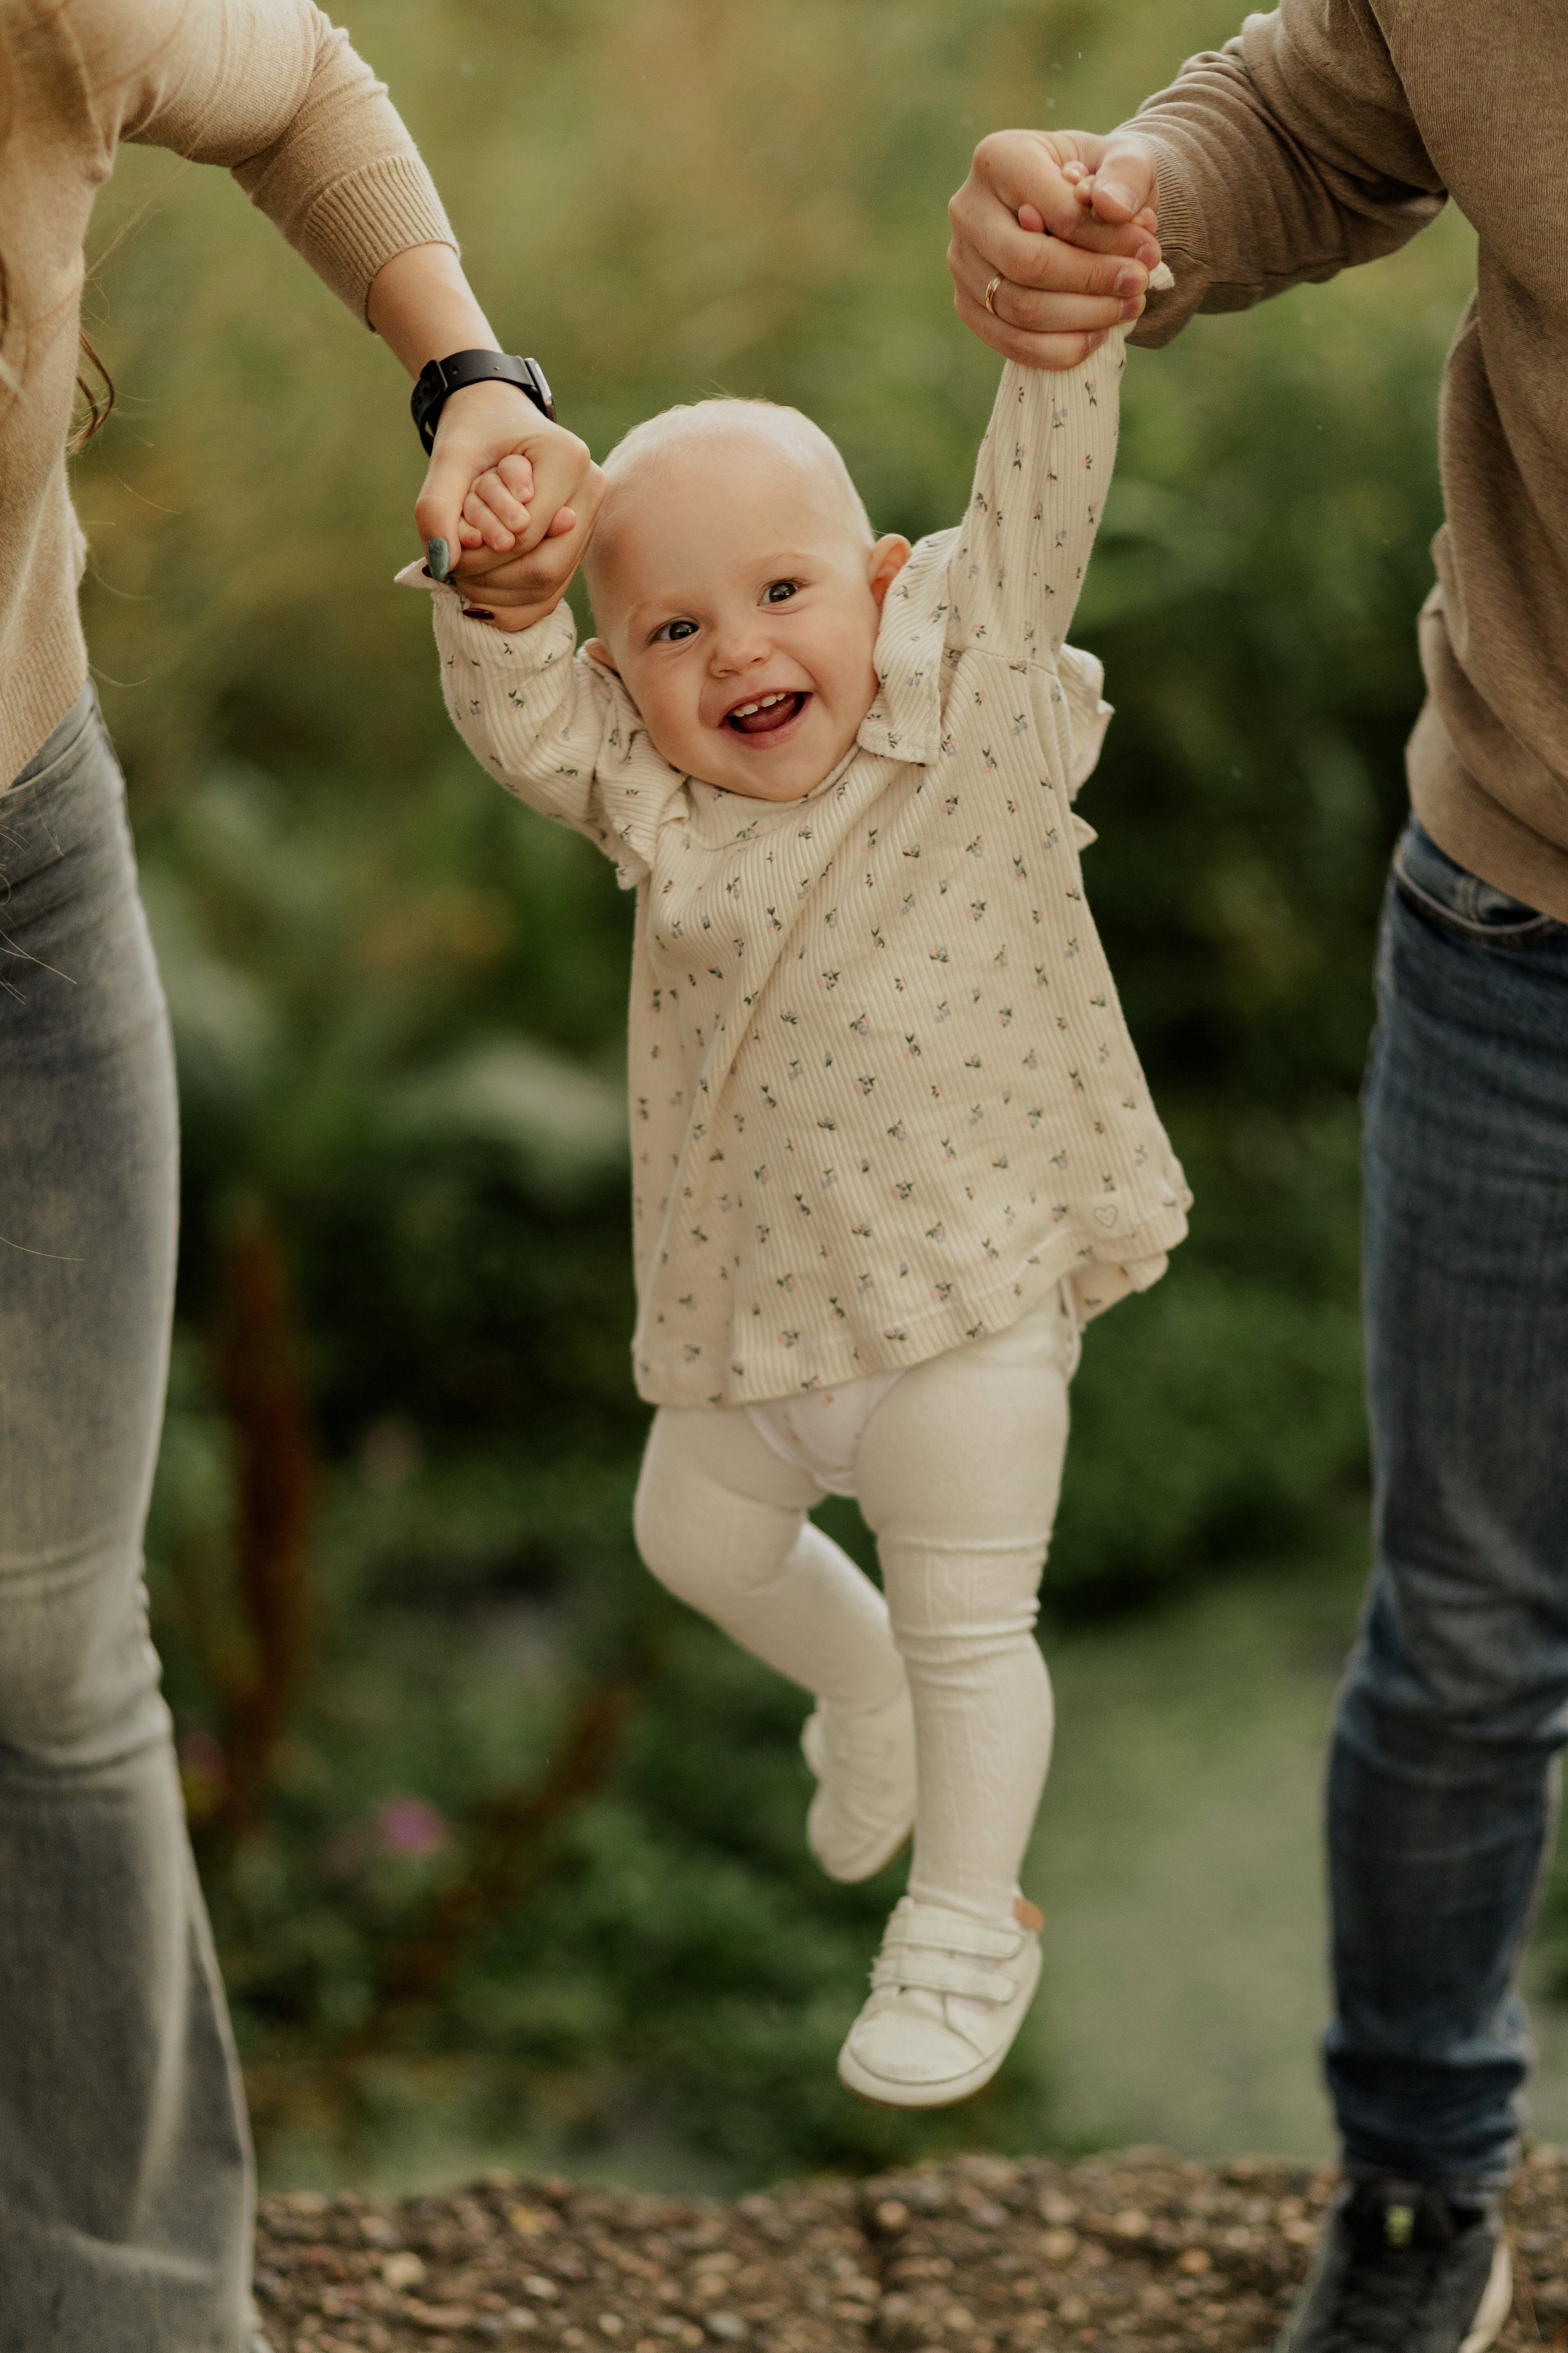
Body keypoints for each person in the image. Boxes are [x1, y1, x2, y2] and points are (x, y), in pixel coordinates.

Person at [406, 234, 1189, 2112]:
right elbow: (521, 711)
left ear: (887, 588)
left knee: (971, 1621)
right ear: (629, 677)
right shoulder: (651, 799)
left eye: (781, 593)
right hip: (768, 1316)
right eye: (675, 631)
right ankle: (861, 1696)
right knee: (695, 1539)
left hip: (966, 1320)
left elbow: (1040, 498)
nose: (741, 649)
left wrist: (1065, 344)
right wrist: (503, 596)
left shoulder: (964, 713)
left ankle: (968, 1916)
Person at [946, 7, 1568, 2349]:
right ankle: (1420, 2196)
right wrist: (1129, 213)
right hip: (1528, 918)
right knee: (1465, 1643)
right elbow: (1317, 116)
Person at [0, 1, 597, 2343]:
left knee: (49, 1644)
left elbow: (311, 85)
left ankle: (129, 2307)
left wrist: (471, 378)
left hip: (20, 860)